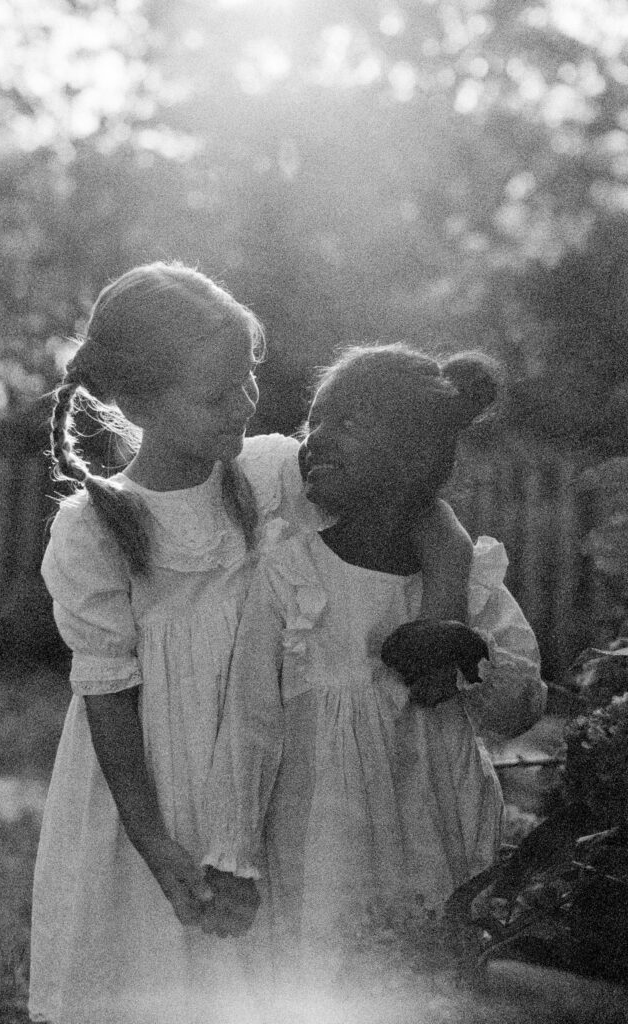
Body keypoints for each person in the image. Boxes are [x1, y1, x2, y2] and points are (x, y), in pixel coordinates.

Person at [29, 263, 473, 1024]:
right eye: (214, 393)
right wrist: (157, 845)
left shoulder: (269, 470)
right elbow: (107, 698)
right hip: (157, 786)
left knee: (267, 968)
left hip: (271, 765)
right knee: (155, 965)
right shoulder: (96, 528)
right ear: (136, 402)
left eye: (249, 377)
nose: (242, 403)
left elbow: (425, 513)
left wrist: (442, 615)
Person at [204, 343, 547, 1002]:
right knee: (324, 982)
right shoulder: (287, 576)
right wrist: (233, 854)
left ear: (415, 452)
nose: (319, 437)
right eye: (317, 420)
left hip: (434, 838)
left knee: (429, 981)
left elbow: (521, 708)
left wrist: (465, 650)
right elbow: (250, 725)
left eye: (351, 423)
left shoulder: (468, 579)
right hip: (319, 847)